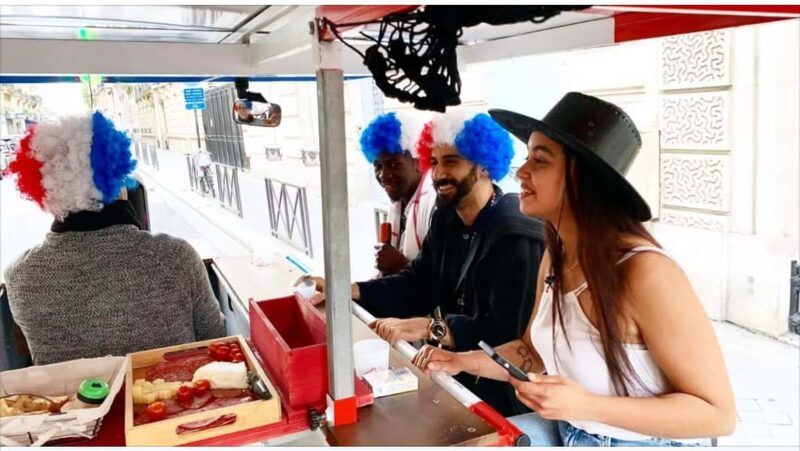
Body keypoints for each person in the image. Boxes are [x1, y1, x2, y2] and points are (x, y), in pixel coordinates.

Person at [414, 93, 735, 446]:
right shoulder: (557, 256)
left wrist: (588, 406)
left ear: (583, 179)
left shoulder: (646, 272)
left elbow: (717, 414)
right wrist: (461, 362)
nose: (521, 171)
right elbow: (532, 352)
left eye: (540, 160)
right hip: (570, 431)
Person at [310, 110, 547, 416]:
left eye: (452, 162)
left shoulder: (516, 233)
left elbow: (508, 335)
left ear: (485, 164)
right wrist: (347, 289)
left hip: (501, 399)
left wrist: (431, 328)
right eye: (433, 162)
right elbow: (415, 283)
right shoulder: (446, 218)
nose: (437, 174)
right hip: (450, 378)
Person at [4, 111, 226, 365]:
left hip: (75, 405)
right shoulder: (176, 255)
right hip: (173, 401)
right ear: (117, 176)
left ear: (43, 193)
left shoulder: (20, 274)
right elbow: (215, 339)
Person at [358, 111, 436, 276]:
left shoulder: (436, 207)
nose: (383, 175)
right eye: (378, 166)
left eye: (394, 164)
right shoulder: (399, 201)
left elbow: (445, 283)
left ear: (419, 162)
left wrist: (403, 267)